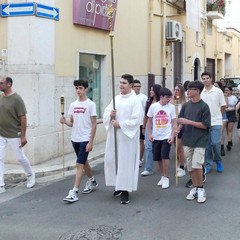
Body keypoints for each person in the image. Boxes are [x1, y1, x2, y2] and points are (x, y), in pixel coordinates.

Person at [103, 74, 143, 204]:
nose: (121, 85)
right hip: (114, 136)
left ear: (131, 85)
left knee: (125, 162)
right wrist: (110, 115)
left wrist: (121, 124)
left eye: (124, 83)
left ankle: (125, 190)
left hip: (127, 137)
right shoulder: (116, 99)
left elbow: (137, 119)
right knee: (113, 160)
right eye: (120, 82)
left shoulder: (135, 100)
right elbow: (106, 113)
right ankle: (117, 185)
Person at [60, 80, 97, 203]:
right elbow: (72, 123)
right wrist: (64, 121)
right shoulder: (73, 105)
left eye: (80, 88)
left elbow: (94, 123)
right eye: (76, 88)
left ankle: (74, 191)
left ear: (86, 89)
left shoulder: (91, 104)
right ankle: (92, 181)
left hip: (85, 139)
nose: (78, 90)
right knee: (83, 162)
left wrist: (90, 141)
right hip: (74, 139)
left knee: (79, 164)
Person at [0, 76, 35, 193]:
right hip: (1, 134)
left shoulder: (17, 99)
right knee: (0, 158)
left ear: (9, 84)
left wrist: (23, 135)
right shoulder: (0, 97)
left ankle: (30, 175)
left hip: (14, 134)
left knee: (20, 157)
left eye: (1, 83)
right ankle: (0, 185)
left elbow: (23, 117)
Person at [178, 80, 211, 203]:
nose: (187, 91)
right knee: (191, 167)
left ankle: (201, 188)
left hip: (200, 140)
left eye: (190, 89)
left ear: (197, 91)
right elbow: (181, 121)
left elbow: (205, 125)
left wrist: (188, 122)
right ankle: (195, 187)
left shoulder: (204, 106)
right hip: (187, 139)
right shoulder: (186, 105)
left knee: (197, 165)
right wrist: (178, 128)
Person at [147, 87, 176, 189]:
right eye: (167, 97)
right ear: (162, 96)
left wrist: (172, 135)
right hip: (156, 136)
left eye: (170, 97)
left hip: (166, 136)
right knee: (158, 157)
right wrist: (149, 134)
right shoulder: (153, 106)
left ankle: (166, 177)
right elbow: (149, 120)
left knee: (165, 156)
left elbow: (174, 122)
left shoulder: (171, 107)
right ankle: (162, 176)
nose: (169, 100)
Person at [201, 72, 226, 174]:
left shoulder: (218, 91)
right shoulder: (201, 92)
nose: (206, 80)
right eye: (203, 78)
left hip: (216, 121)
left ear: (211, 79)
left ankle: (218, 161)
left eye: (207, 78)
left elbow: (223, 106)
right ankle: (208, 164)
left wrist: (218, 116)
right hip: (204, 123)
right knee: (207, 145)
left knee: (215, 143)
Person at [141, 84, 161, 176]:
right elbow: (146, 116)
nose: (150, 91)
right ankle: (148, 168)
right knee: (148, 147)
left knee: (159, 147)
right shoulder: (148, 101)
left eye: (152, 90)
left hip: (160, 127)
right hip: (150, 127)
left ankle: (162, 167)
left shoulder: (162, 102)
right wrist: (144, 127)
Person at [172, 83, 186, 177]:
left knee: (180, 147)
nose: (176, 92)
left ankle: (182, 166)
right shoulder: (171, 103)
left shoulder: (184, 104)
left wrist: (179, 127)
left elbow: (184, 117)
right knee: (176, 146)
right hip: (172, 127)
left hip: (181, 127)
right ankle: (181, 161)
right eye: (175, 90)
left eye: (178, 90)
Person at [133, 79, 148, 167]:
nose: (137, 88)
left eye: (139, 86)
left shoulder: (144, 97)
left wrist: (144, 125)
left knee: (141, 141)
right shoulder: (130, 97)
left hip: (141, 122)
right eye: (136, 86)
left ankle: (139, 159)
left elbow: (146, 111)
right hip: (132, 123)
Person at [214, 81, 228, 156]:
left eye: (216, 86)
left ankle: (221, 147)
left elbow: (226, 105)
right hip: (213, 115)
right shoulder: (210, 94)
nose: (215, 87)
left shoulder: (222, 94)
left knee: (221, 132)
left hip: (222, 115)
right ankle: (215, 148)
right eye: (214, 86)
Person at [224, 86, 238, 151]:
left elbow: (236, 107)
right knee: (226, 129)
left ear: (230, 91)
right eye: (225, 90)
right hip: (225, 113)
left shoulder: (234, 98)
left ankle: (229, 143)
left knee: (230, 129)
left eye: (227, 90)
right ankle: (230, 139)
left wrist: (236, 115)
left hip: (231, 113)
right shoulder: (223, 97)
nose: (226, 91)